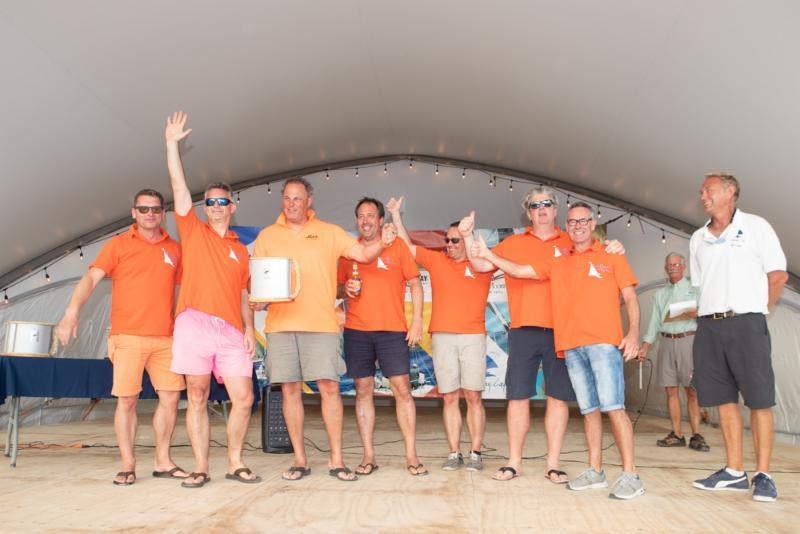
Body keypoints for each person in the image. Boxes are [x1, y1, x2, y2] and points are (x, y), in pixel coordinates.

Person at [474, 201, 644, 499]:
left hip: (604, 344)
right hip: (572, 346)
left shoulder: (610, 254)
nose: (578, 226)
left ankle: (632, 474)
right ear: (568, 226)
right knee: (589, 410)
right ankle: (596, 471)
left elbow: (630, 297)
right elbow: (519, 270)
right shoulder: (559, 261)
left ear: (594, 225)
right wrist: (487, 253)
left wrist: (633, 333)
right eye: (573, 222)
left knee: (614, 408)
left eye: (583, 221)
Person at [252, 178, 394, 482]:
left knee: (329, 389)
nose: (292, 204)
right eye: (287, 198)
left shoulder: (330, 232)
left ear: (309, 201)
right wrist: (258, 300)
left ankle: (337, 460)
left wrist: (385, 239)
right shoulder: (267, 236)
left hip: (321, 326)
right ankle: (300, 460)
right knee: (289, 391)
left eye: (298, 198)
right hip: (280, 326)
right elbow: (258, 283)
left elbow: (364, 255)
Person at [57, 189, 186, 486]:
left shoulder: (176, 249)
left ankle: (163, 460)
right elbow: (90, 278)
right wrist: (71, 312)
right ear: (134, 213)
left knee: (171, 398)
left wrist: (182, 324)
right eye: (144, 209)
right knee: (126, 401)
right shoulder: (117, 245)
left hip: (166, 338)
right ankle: (128, 465)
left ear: (162, 213)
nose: (150, 214)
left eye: (155, 209)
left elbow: (179, 291)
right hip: (127, 336)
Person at [164, 111, 259, 488]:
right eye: (211, 203)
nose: (216, 207)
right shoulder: (193, 230)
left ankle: (235, 462)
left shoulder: (241, 250)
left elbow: (242, 291)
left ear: (233, 207)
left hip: (232, 330)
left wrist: (250, 329)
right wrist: (171, 145)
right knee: (198, 394)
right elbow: (178, 188)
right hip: (194, 323)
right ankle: (201, 466)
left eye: (222, 202)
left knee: (244, 397)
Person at [689, 172, 787, 502]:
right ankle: (734, 471)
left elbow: (778, 275)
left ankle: (763, 474)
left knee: (759, 399)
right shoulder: (697, 238)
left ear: (730, 192)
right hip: (709, 326)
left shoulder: (757, 226)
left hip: (747, 323)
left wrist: (760, 309)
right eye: (701, 191)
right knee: (723, 398)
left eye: (709, 190)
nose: (703, 195)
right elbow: (700, 285)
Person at [387, 196, 493, 472]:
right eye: (447, 240)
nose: (449, 245)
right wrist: (396, 215)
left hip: (472, 336)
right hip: (442, 336)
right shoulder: (436, 261)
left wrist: (470, 238)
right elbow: (407, 247)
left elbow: (481, 256)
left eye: (455, 240)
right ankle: (454, 452)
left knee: (472, 396)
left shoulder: (481, 264)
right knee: (449, 396)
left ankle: (476, 453)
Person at [336, 197, 427, 476]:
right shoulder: (348, 251)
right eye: (360, 216)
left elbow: (415, 283)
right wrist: (344, 290)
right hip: (357, 331)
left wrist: (416, 322)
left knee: (402, 390)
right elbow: (337, 289)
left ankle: (412, 456)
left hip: (392, 331)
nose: (365, 221)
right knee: (363, 391)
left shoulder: (397, 245)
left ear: (379, 220)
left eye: (370, 216)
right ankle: (368, 456)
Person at [639, 253, 709, 452]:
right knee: (670, 390)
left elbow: (709, 311)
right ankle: (677, 434)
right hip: (667, 342)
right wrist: (645, 345)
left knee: (692, 390)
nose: (673, 267)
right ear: (665, 267)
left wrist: (699, 311)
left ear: (684, 266)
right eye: (669, 264)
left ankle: (697, 435)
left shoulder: (696, 289)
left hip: (689, 340)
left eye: (677, 264)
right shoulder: (660, 294)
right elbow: (654, 322)